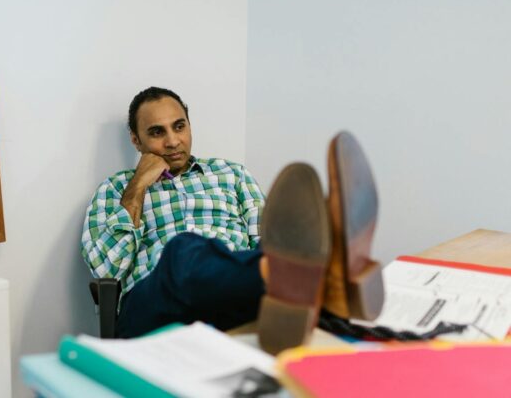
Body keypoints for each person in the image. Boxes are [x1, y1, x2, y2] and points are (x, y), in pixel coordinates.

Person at [80, 87, 383, 353]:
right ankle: (328, 278)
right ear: (136, 140)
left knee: (270, 257)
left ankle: (308, 278)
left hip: (228, 297)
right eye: (157, 132)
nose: (173, 141)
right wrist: (138, 187)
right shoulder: (115, 189)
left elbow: (270, 243)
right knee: (182, 252)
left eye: (179, 126)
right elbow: (108, 269)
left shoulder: (231, 174)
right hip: (152, 310)